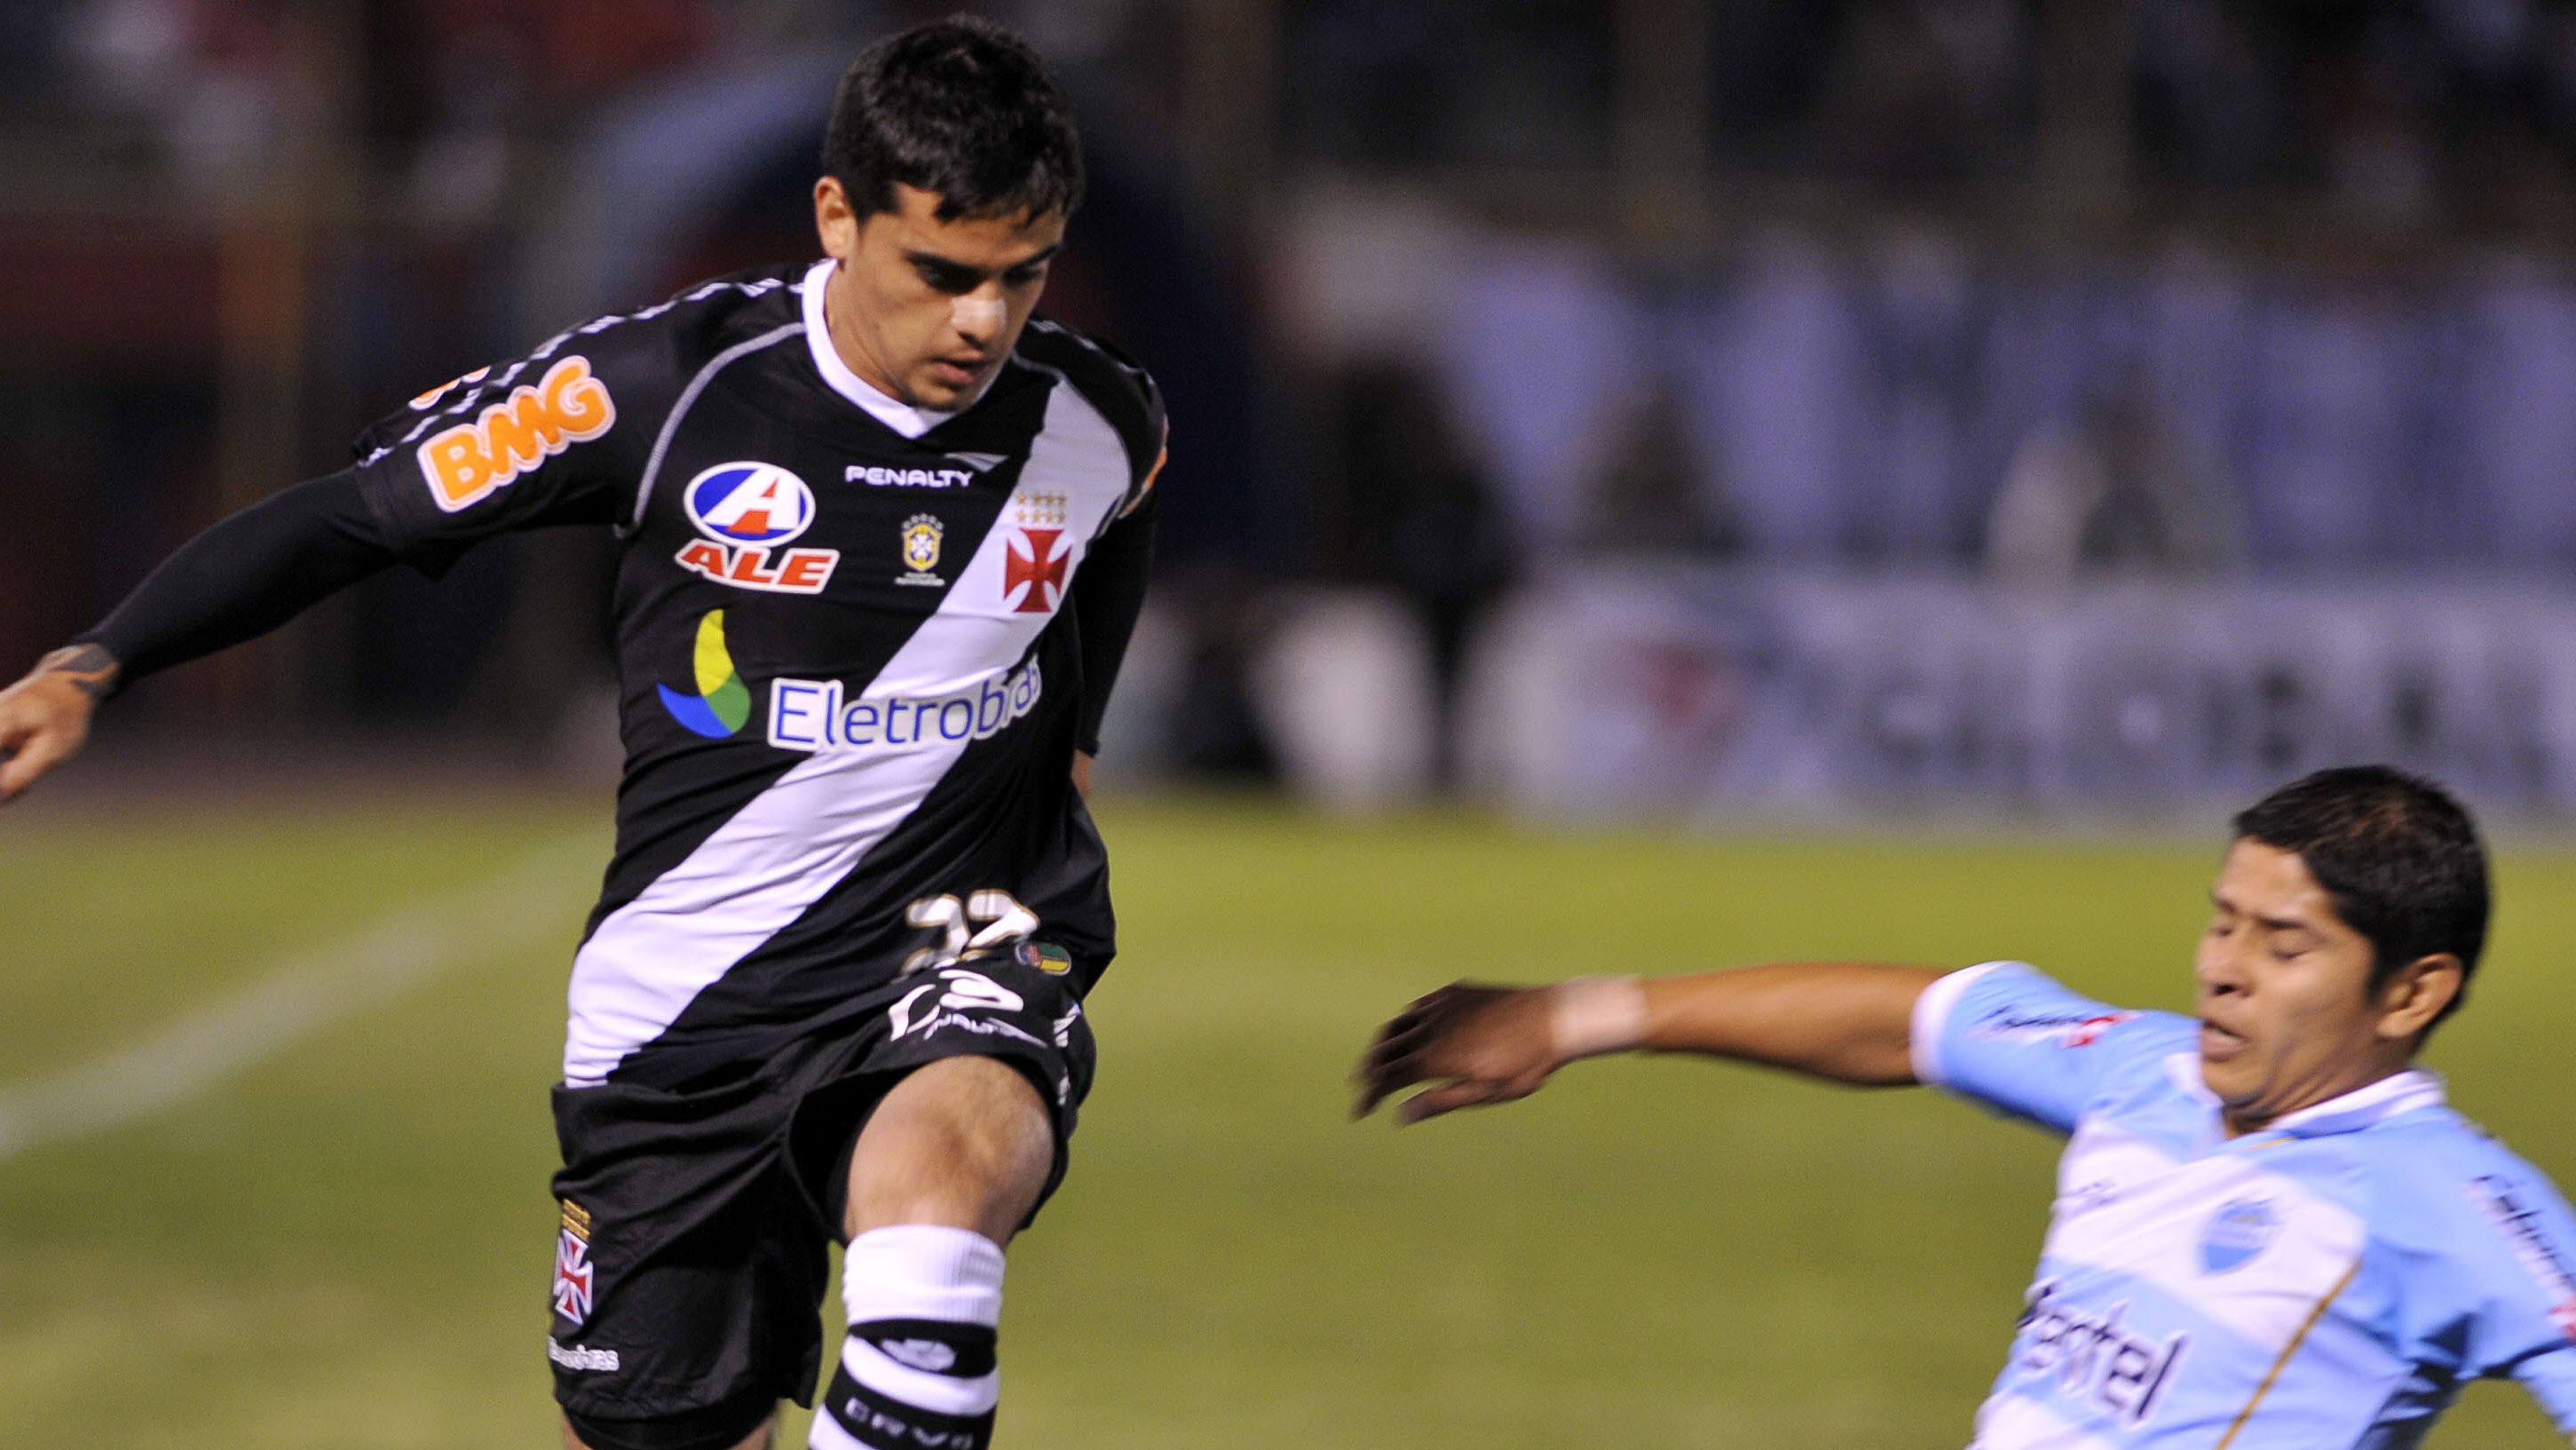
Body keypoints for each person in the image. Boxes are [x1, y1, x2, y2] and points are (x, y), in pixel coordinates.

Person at [0, 18, 1165, 1450]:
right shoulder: (662, 388)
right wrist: (98, 661)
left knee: (943, 1183)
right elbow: (354, 516)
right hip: (685, 1009)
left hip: (954, 935)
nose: (985, 320)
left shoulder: (1100, 421)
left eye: (1021, 273)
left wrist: (1074, 741)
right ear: (837, 218)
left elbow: (1104, 556)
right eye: (943, 272)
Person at [1355, 765, 2576, 1446]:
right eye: (2219, 920)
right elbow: (1910, 1019)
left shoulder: (2458, 1204)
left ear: (2412, 988)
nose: (2219, 966)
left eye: (2283, 945)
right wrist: (1573, 1017)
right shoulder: (2138, 1069)